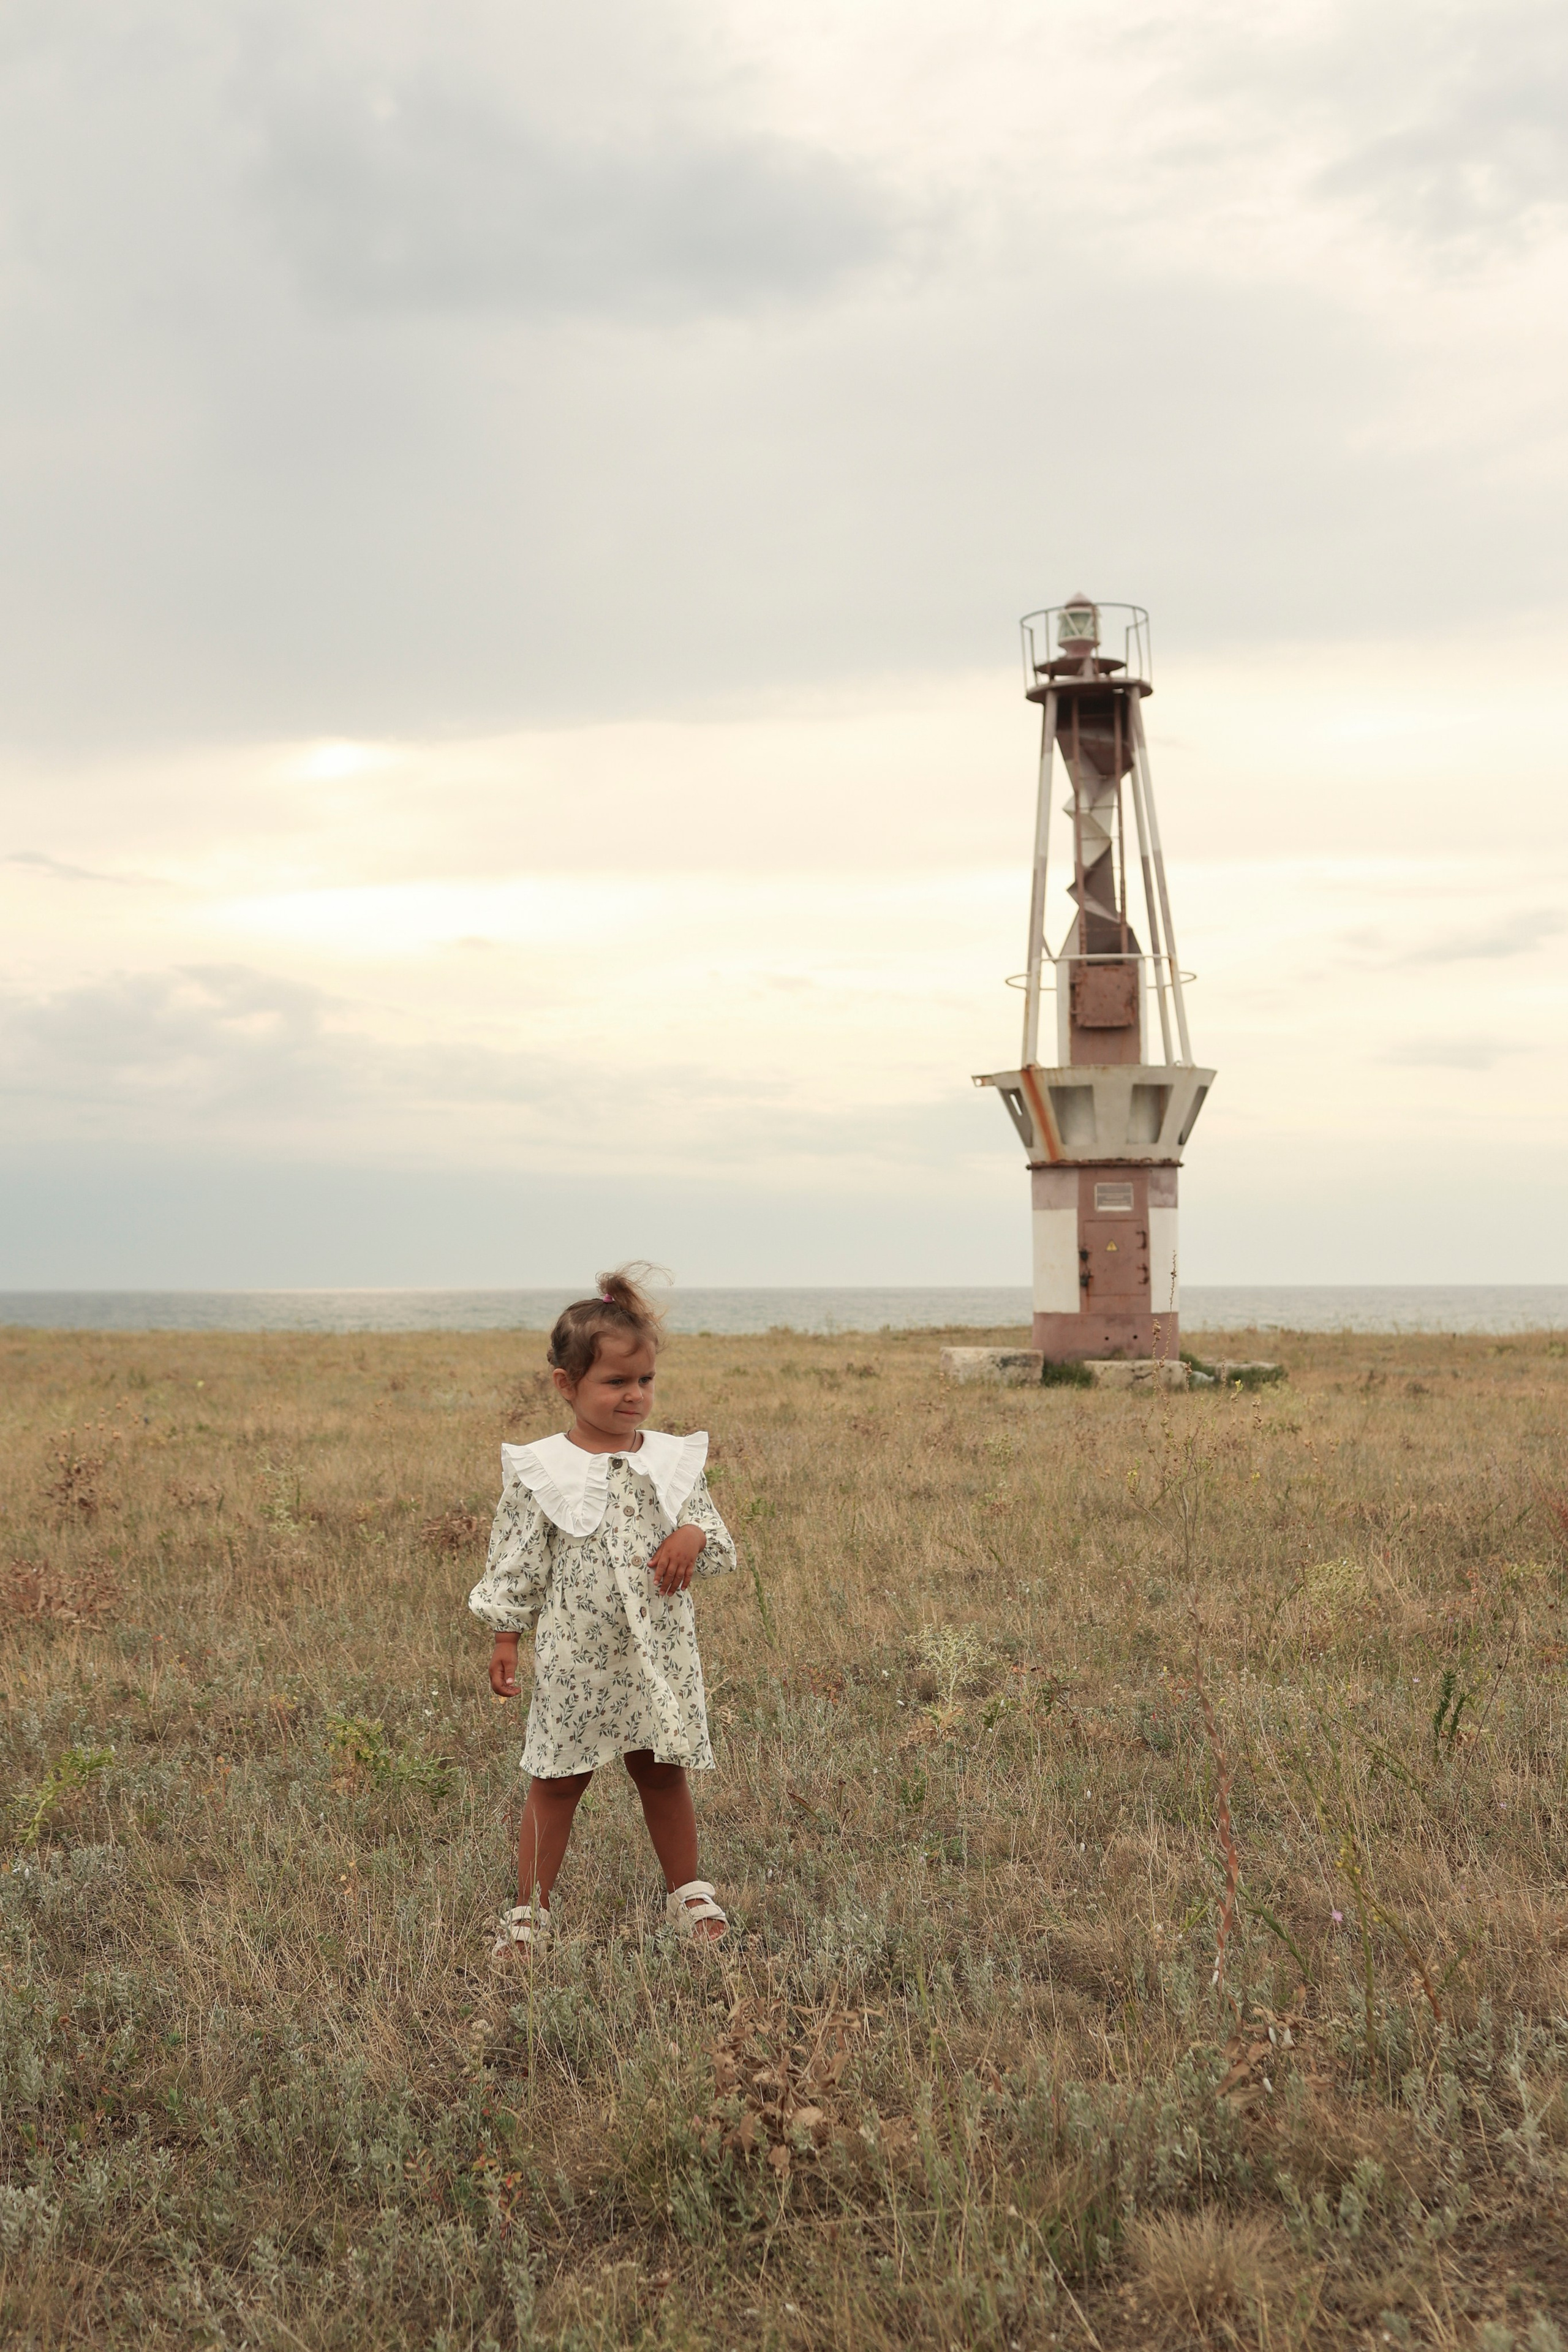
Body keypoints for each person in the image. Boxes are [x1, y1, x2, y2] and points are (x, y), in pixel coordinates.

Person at [469, 1266, 736, 1959]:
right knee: (557, 1778)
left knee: (661, 1770)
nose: (635, 1396)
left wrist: (690, 1534)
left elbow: (710, 1531)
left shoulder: (672, 1461)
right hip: (575, 1655)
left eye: (644, 1381)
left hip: (658, 1649)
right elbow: (517, 1559)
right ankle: (529, 1909)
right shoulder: (543, 1468)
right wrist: (506, 1635)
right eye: (616, 1383)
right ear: (567, 1385)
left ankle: (688, 1891)